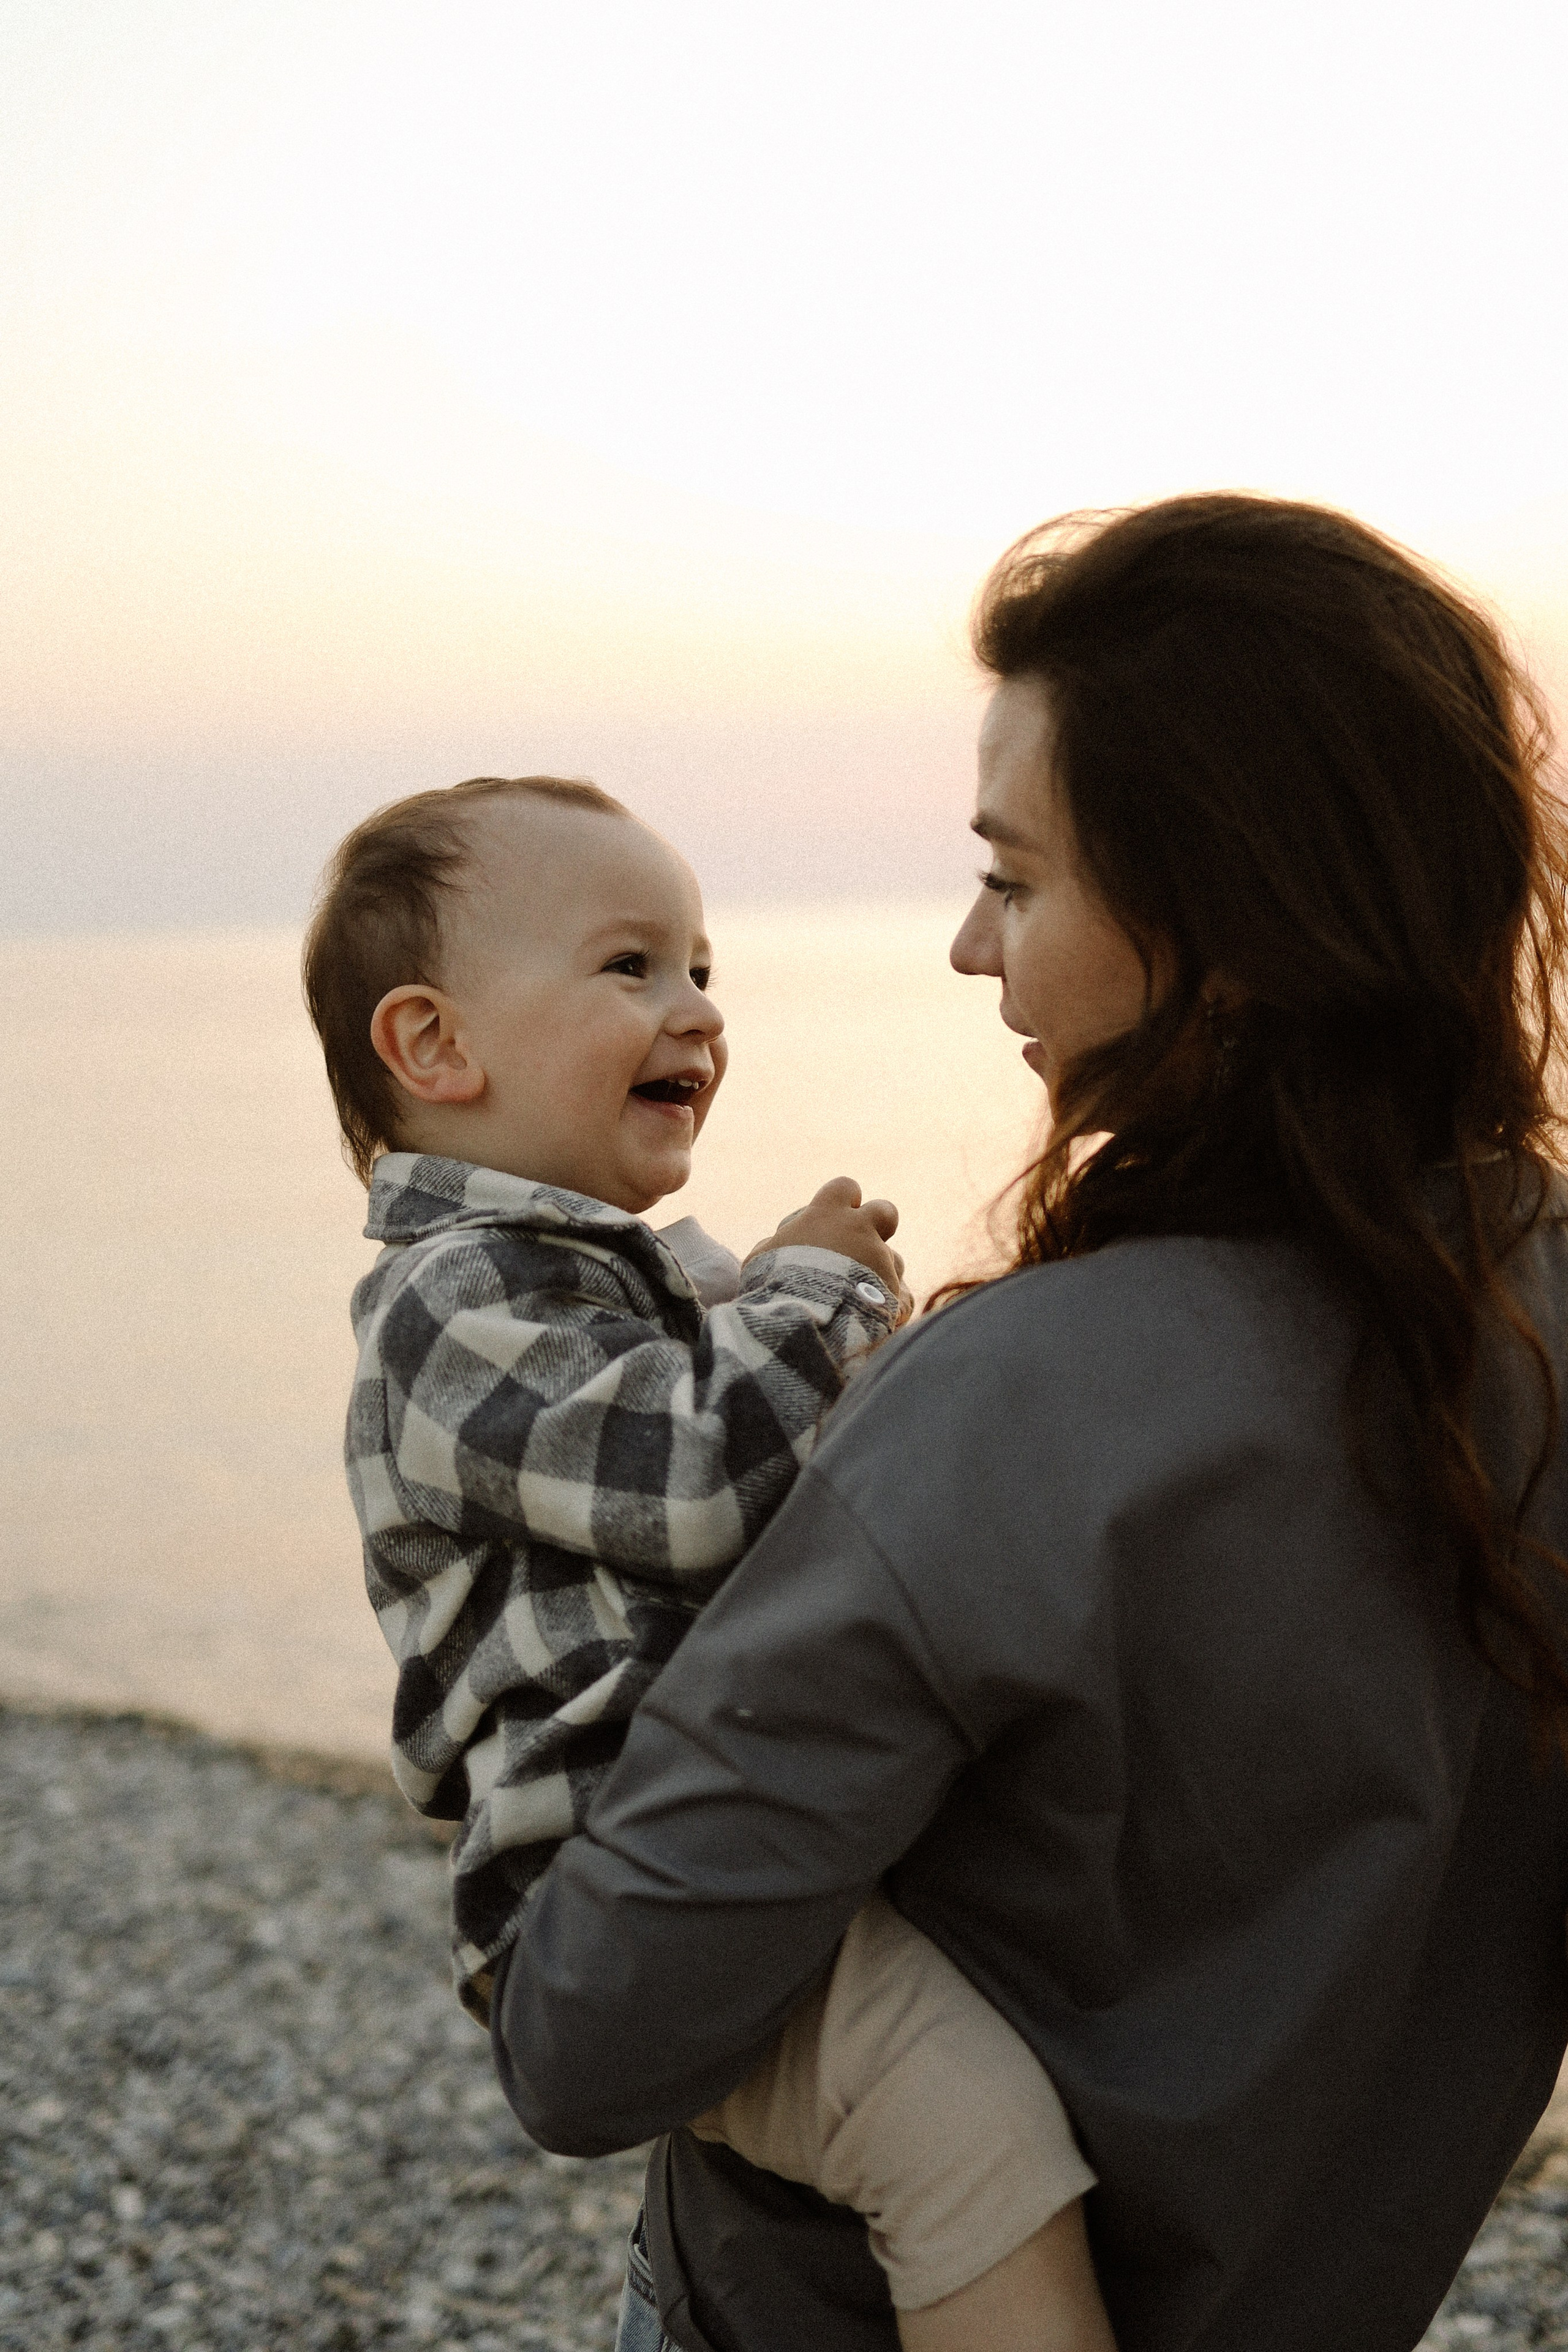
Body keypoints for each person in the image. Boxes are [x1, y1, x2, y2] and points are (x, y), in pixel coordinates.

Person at [487, 495, 1568, 2352]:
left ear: (1224, 923)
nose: (974, 950)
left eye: (1018, 876)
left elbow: (590, 2041)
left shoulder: (1005, 1411)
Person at [301, 776, 1118, 2350]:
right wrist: (813, 1293)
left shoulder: (633, 1280)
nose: (694, 1009)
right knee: (955, 2119)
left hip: (728, 1824)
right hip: (606, 1887)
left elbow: (807, 1485)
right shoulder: (445, 1308)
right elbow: (694, 1484)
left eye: (701, 969)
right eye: (630, 969)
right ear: (434, 1048)